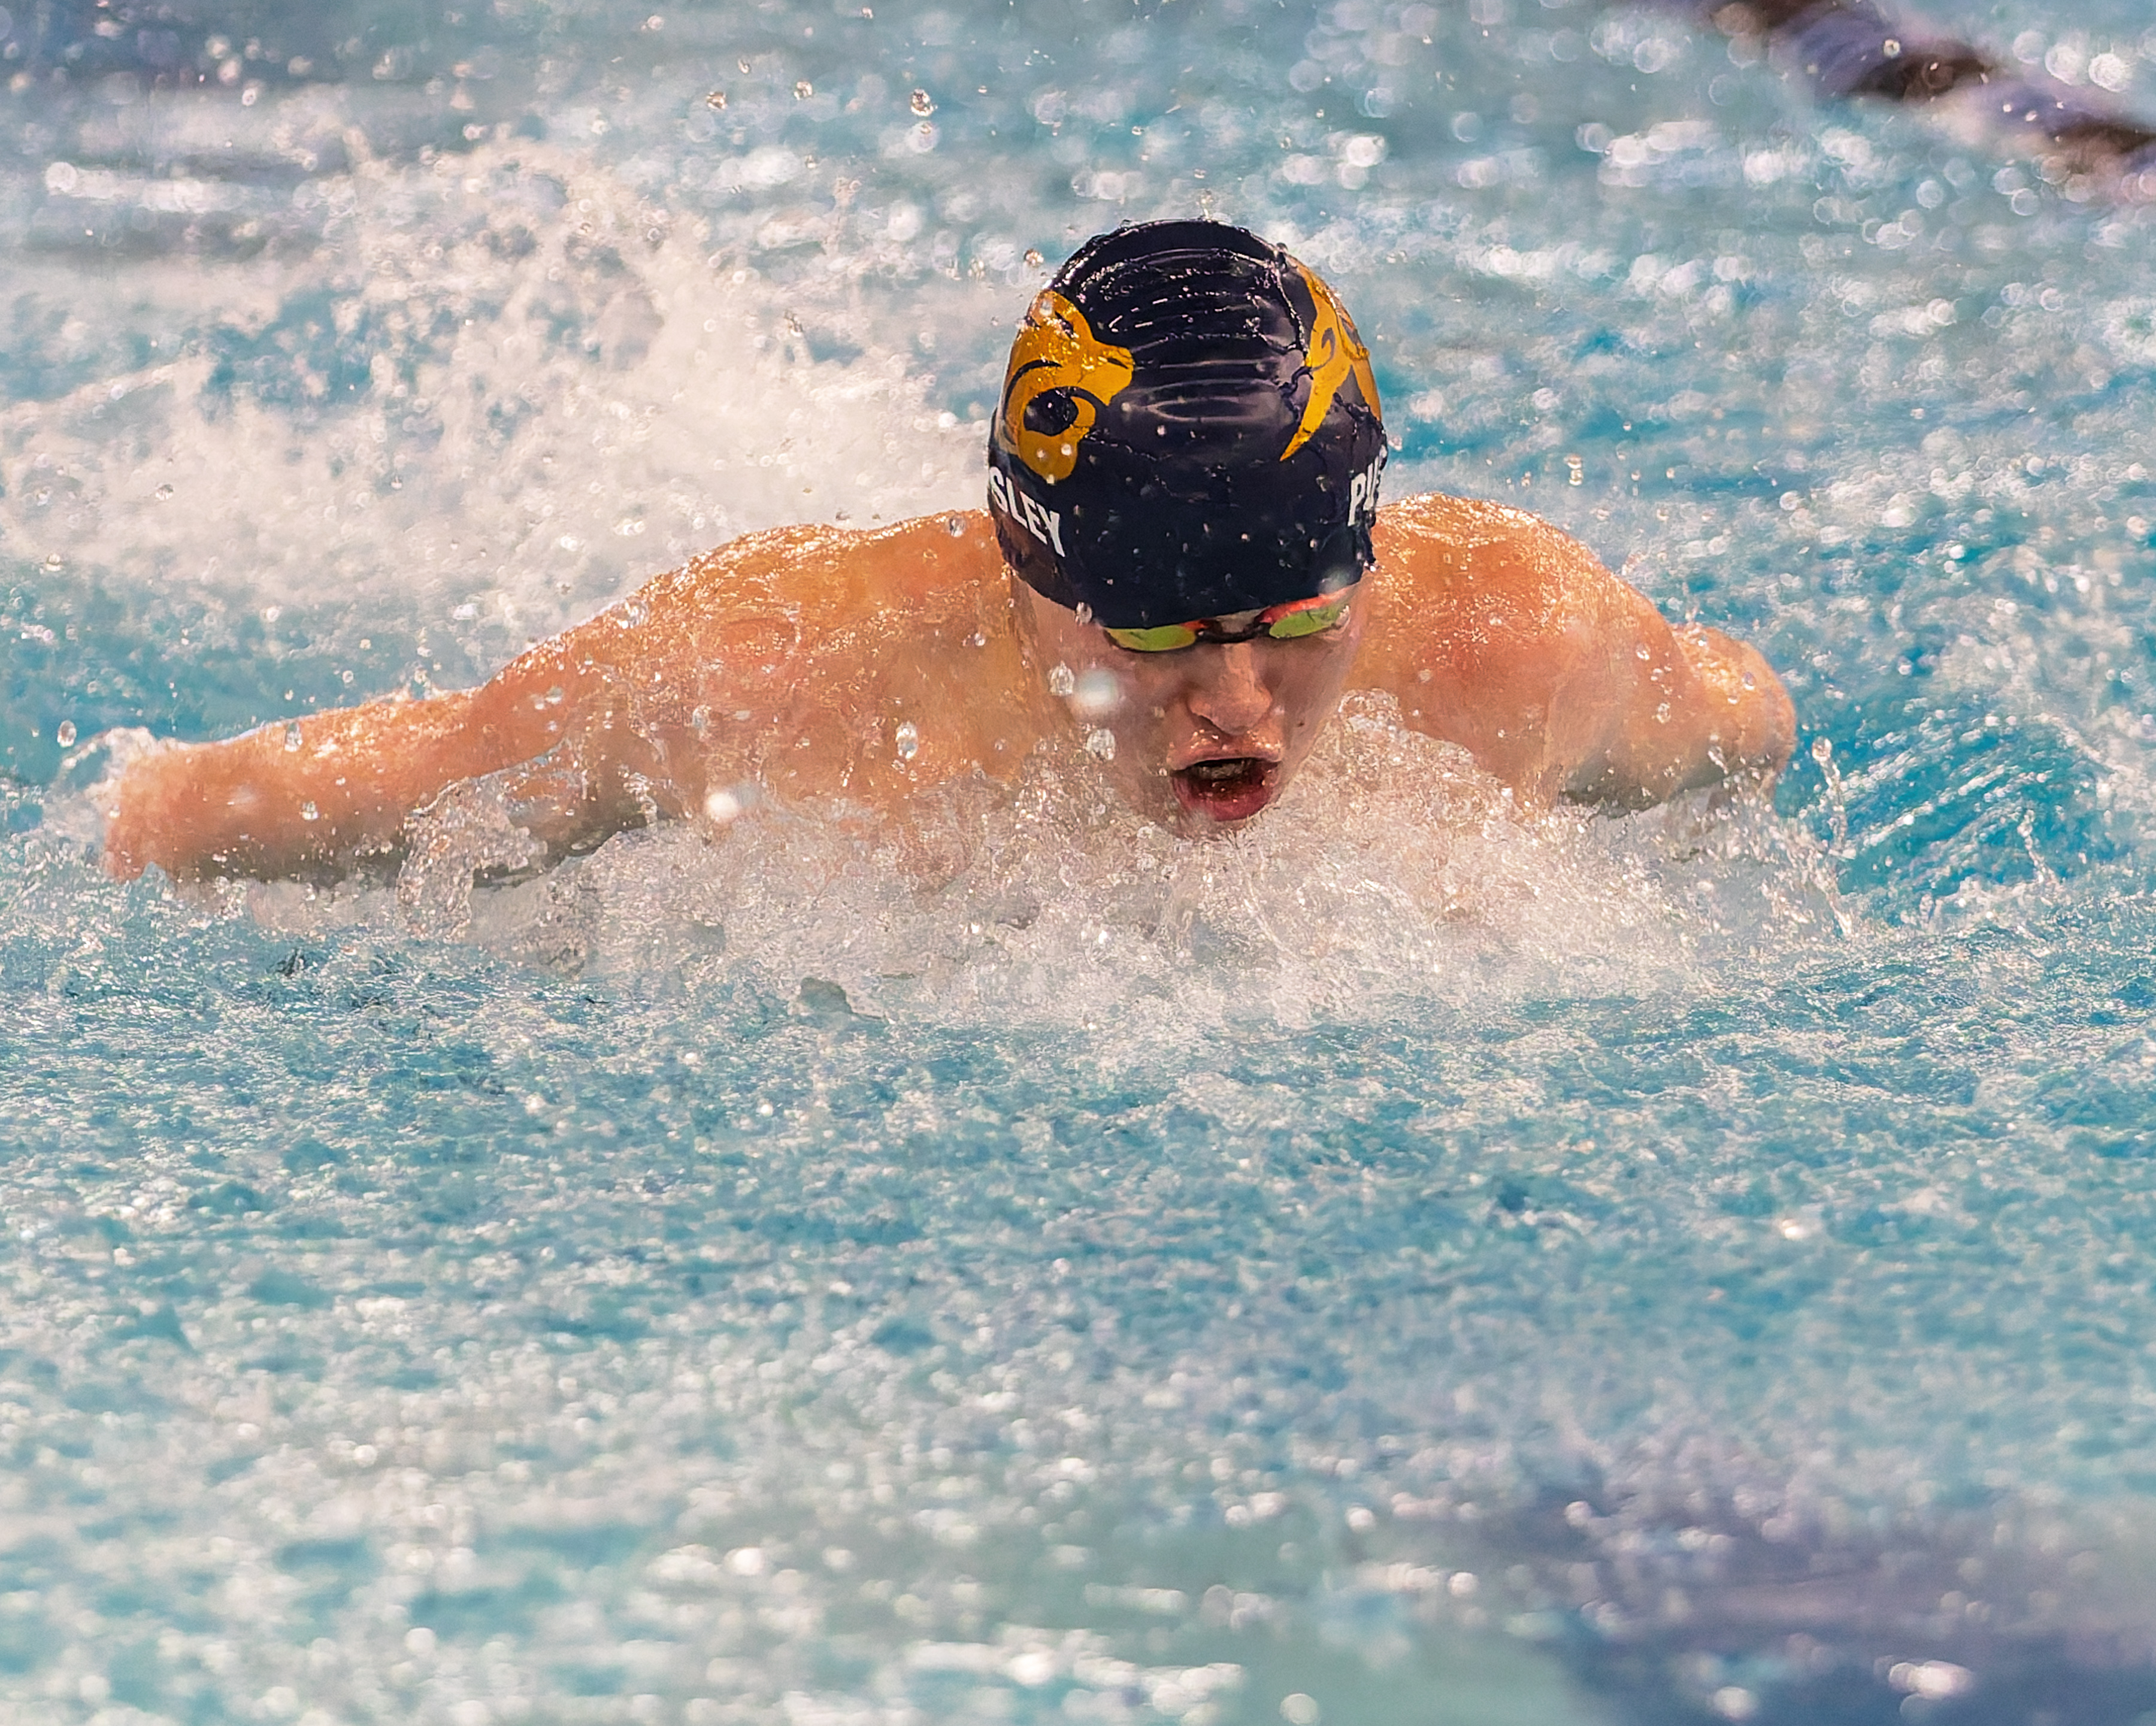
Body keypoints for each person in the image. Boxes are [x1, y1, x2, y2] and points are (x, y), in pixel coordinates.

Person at [99, 220, 1794, 887]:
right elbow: (403, 778)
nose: (1239, 700)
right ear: (1033, 575)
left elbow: (1754, 731)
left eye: (1295, 624)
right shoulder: (773, 683)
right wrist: (127, 823)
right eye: (1158, 636)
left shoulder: (1517, 643)